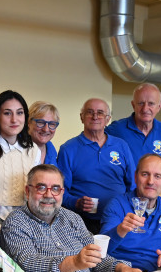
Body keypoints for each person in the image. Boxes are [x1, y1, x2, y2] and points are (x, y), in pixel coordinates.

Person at [0, 164, 152, 272]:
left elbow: (94, 255)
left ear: (62, 192)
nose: (49, 195)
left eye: (56, 188)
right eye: (41, 187)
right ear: (27, 191)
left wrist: (121, 269)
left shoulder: (72, 218)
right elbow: (27, 265)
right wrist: (72, 263)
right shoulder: (15, 222)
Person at [56, 98, 136, 234]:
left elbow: (133, 184)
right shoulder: (68, 149)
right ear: (81, 117)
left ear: (108, 119)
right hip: (83, 222)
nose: (95, 117)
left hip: (119, 218)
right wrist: (76, 202)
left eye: (100, 113)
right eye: (89, 112)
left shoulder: (121, 146)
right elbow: (59, 191)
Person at [0, 90, 40, 242]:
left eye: (19, 113)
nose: (14, 119)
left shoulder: (33, 150)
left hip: (26, 225)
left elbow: (34, 193)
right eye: (7, 113)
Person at [105, 83, 161, 176]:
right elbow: (94, 145)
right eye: (140, 103)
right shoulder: (116, 129)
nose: (145, 109)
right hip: (125, 189)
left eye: (151, 103)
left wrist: (153, 173)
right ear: (133, 105)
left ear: (159, 106)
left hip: (153, 189)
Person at [28, 101, 60, 165]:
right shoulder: (14, 149)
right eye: (40, 122)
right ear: (28, 122)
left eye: (51, 124)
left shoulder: (52, 152)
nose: (46, 129)